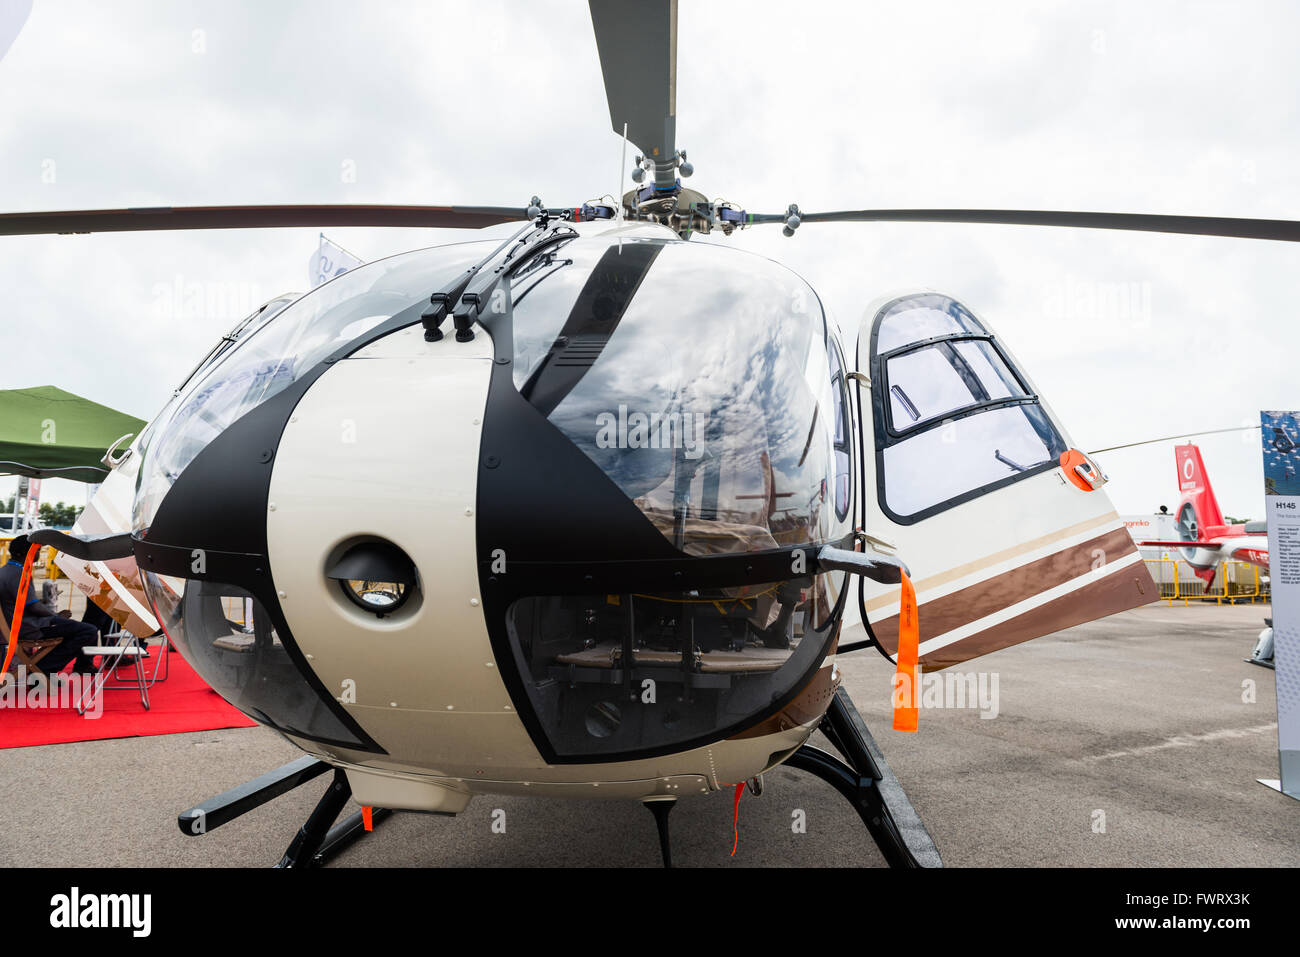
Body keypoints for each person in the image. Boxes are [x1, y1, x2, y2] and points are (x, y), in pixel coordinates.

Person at [1, 535, 99, 677]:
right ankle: (42, 670)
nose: (38, 554)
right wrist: (56, 616)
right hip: (29, 627)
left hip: (18, 625)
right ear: (25, 553)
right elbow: (33, 607)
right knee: (88, 631)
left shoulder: (6, 571)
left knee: (74, 629)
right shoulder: (19, 574)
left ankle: (43, 670)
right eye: (36, 550)